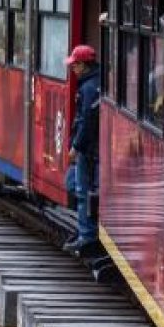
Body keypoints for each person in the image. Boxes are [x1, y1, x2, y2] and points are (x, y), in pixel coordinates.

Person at [64, 44, 101, 253]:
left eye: (75, 65)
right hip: (91, 148)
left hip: (86, 150)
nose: (73, 70)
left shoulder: (87, 88)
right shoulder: (96, 83)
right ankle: (86, 230)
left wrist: (75, 147)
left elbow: (86, 121)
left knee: (80, 190)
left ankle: (86, 235)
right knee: (75, 186)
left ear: (84, 66)